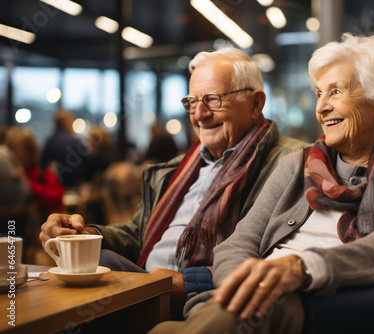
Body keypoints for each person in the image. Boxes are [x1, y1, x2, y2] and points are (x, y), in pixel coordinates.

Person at [149, 33, 374, 334]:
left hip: (322, 302)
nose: (322, 108)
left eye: (336, 92)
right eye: (319, 94)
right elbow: (237, 245)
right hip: (257, 298)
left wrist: (300, 268)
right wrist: (247, 287)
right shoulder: (298, 163)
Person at [39, 47, 308, 317]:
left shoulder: (292, 164)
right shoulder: (177, 169)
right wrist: (84, 236)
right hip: (144, 284)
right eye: (191, 101)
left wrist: (191, 282)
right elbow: (138, 235)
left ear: (256, 103)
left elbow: (279, 260)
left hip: (201, 299)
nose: (199, 114)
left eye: (213, 99)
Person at [5, 127, 65, 214]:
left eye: (13, 149)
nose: (9, 153)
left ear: (28, 151)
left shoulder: (40, 173)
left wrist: (29, 184)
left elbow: (57, 198)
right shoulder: (9, 171)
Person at [42, 108, 86, 188]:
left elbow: (43, 165)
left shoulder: (48, 142)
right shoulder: (75, 142)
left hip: (53, 188)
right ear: (67, 123)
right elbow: (87, 164)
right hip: (73, 187)